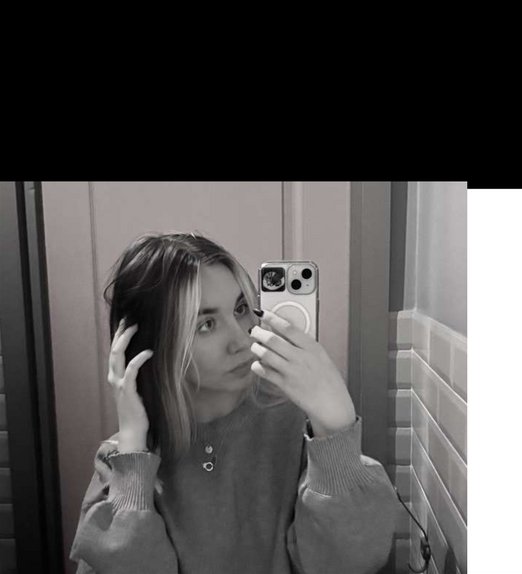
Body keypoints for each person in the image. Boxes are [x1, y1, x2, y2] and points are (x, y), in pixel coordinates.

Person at [69, 232, 396, 574]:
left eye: (240, 309)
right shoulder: (122, 460)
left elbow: (350, 562)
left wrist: (337, 429)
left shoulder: (300, 429)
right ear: (150, 347)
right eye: (206, 325)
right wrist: (134, 451)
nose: (242, 338)